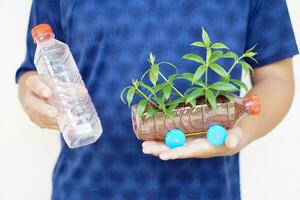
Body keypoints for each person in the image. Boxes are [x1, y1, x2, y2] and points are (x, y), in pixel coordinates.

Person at [16, 0, 298, 199]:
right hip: (87, 187)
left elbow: (276, 77)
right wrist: (32, 94)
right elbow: (35, 66)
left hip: (206, 191)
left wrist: (242, 132)